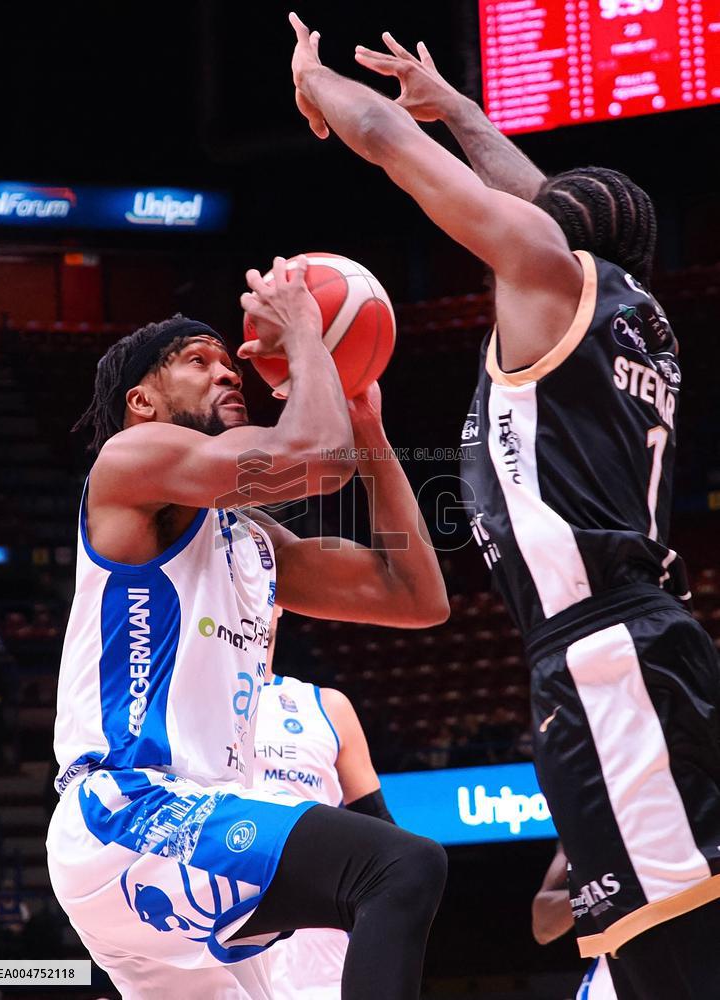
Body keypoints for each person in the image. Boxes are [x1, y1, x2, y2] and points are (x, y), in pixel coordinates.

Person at [289, 14, 720, 998]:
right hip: (628, 643)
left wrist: (318, 82)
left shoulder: (547, 273)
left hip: (605, 655)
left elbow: (397, 152)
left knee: (668, 950)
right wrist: (461, 109)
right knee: (653, 930)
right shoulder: (625, 309)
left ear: (553, 231)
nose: (509, 207)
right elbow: (538, 197)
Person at [46, 255, 449, 1000]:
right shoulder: (129, 462)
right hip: (131, 811)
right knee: (399, 866)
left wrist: (368, 426)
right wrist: (305, 334)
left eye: (229, 361)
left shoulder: (253, 539)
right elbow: (313, 460)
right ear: (141, 401)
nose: (228, 372)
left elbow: (413, 595)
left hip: (190, 840)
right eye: (198, 363)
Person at [252, 605, 395, 999]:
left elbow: (382, 833)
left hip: (323, 965)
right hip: (227, 948)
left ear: (278, 604)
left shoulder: (327, 706)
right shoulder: (188, 705)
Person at [533, 844, 616, 1000]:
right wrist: (596, 890)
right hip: (611, 965)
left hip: (666, 948)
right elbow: (543, 926)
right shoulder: (583, 828)